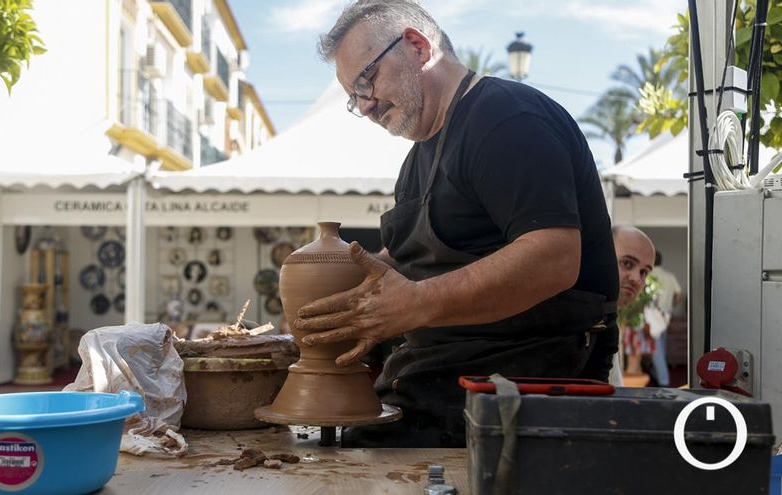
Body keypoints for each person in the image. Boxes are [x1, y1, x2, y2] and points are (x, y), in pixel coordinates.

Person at [292, 1, 619, 448]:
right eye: (354, 97)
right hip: (439, 382)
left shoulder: (506, 119)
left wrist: (418, 303)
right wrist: (330, 295)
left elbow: (555, 257)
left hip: (521, 389)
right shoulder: (417, 159)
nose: (365, 107)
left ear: (417, 46)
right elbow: (411, 262)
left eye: (367, 81)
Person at [608, 226, 655, 385]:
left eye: (644, 272)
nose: (637, 279)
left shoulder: (607, 321)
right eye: (627, 264)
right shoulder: (577, 322)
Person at [646, 250, 682, 386]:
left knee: (656, 348)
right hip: (666, 314)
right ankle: (656, 374)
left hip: (652, 315)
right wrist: (671, 305)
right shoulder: (669, 276)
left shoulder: (649, 276)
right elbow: (678, 295)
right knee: (661, 345)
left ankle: (663, 380)